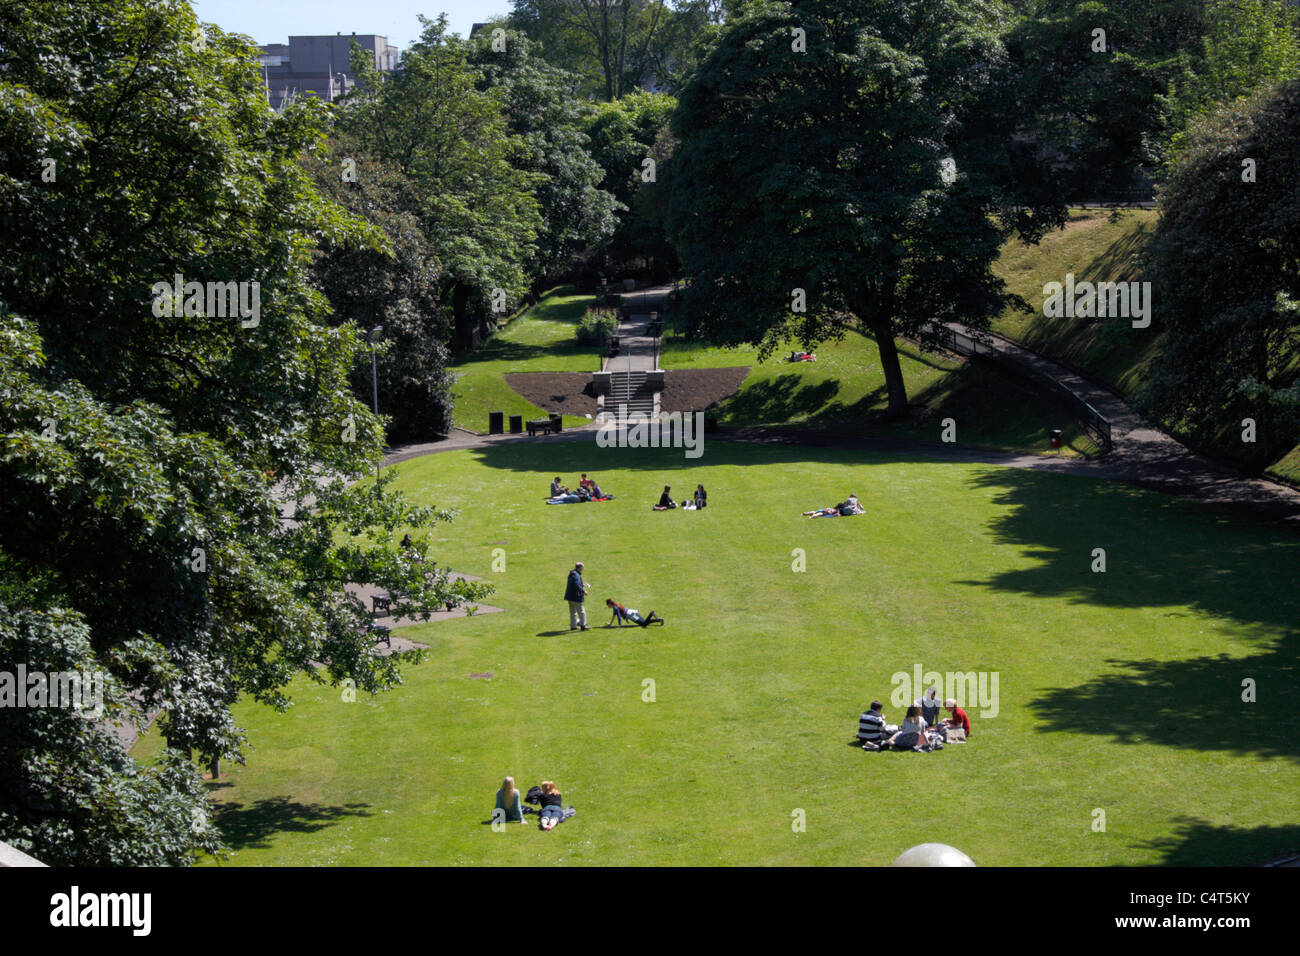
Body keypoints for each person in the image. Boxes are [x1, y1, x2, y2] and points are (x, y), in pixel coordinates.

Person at [564, 561, 590, 630]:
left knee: (573, 612)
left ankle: (573, 626)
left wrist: (582, 585)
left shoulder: (572, 573)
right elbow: (576, 585)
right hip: (575, 596)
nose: (583, 568)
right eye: (583, 567)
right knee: (581, 611)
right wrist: (583, 591)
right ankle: (583, 626)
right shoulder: (576, 575)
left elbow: (574, 584)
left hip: (569, 596)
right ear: (580, 567)